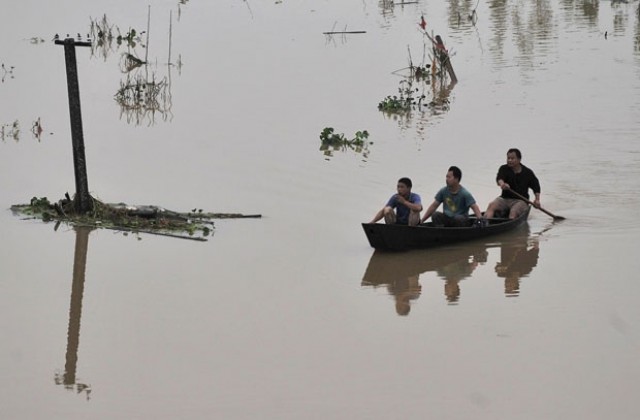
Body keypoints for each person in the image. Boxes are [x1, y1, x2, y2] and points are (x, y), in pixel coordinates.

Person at [484, 148, 541, 219]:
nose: (509, 160)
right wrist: (503, 184)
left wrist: (537, 200)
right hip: (504, 199)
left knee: (514, 212)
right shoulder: (503, 168)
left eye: (512, 158)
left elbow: (536, 186)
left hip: (520, 201)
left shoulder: (528, 172)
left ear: (519, 159)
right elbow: (499, 179)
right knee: (491, 205)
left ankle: (509, 223)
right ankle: (484, 223)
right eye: (508, 158)